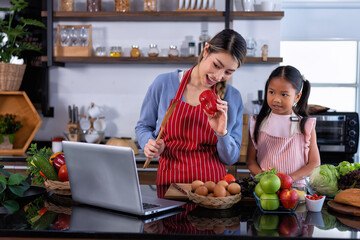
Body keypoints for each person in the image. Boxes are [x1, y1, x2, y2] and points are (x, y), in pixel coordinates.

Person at [135, 29, 247, 185]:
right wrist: (149, 143)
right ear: (206, 51)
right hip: (170, 186)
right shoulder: (163, 83)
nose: (218, 76)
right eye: (216, 65)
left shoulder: (232, 97)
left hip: (212, 192)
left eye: (228, 72)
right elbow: (143, 126)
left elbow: (231, 158)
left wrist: (222, 133)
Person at [246, 65, 320, 183]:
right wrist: (264, 176)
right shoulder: (257, 123)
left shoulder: (306, 126)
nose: (276, 99)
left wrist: (289, 179)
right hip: (265, 191)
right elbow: (250, 161)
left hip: (296, 192)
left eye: (284, 94)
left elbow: (314, 163)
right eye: (271, 92)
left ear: (297, 97)